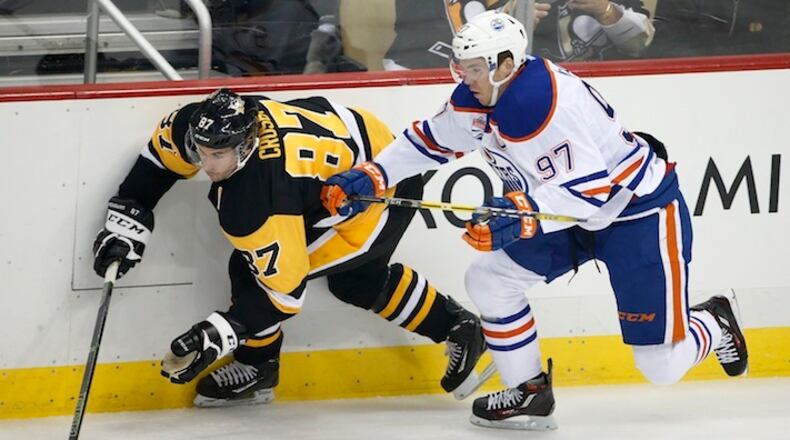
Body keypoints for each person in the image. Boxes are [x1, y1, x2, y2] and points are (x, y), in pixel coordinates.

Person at [322, 11, 748, 430]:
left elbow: (590, 191)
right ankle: (529, 391)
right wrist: (374, 174)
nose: (463, 77)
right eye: (461, 66)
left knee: (662, 366)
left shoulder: (541, 104)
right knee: (490, 279)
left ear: (506, 64)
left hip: (635, 212)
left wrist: (520, 214)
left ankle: (714, 318)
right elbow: (430, 141)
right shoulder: (483, 94)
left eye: (473, 68)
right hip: (565, 212)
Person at [91, 88, 491, 407]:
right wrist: (129, 215)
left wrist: (219, 333)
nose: (206, 165)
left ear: (246, 147)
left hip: (377, 184)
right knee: (358, 281)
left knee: (259, 272)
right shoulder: (199, 122)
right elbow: (160, 160)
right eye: (202, 151)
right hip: (359, 144)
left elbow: (284, 292)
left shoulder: (254, 203)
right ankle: (458, 326)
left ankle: (256, 365)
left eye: (218, 155)